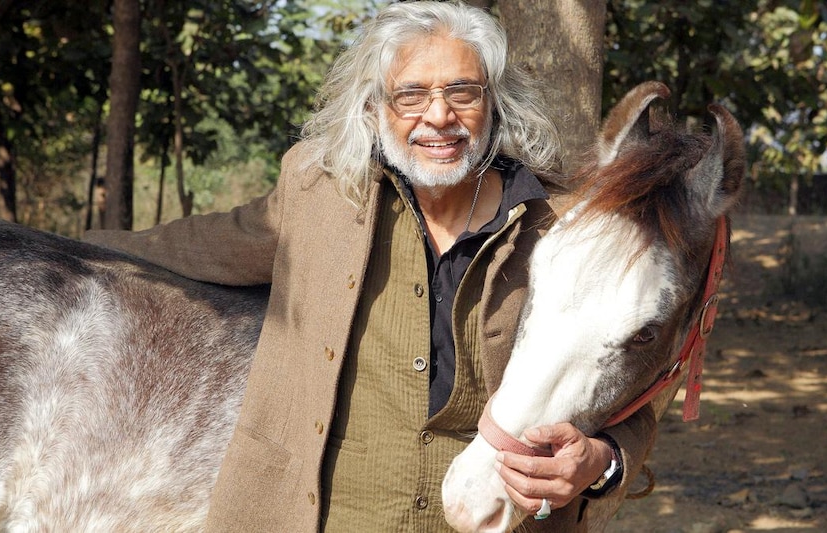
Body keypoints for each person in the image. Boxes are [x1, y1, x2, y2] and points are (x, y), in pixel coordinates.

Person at [85, 1, 656, 531]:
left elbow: (627, 374)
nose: (439, 116)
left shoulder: (559, 230)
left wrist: (601, 463)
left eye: (463, 92)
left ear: (495, 102)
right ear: (373, 106)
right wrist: (73, 247)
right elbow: (202, 244)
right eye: (411, 95)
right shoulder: (320, 195)